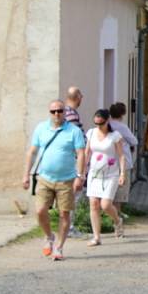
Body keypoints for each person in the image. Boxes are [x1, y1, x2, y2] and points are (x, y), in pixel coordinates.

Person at [22, 100, 86, 261]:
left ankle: (59, 247)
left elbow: (81, 154)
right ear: (49, 112)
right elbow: (32, 152)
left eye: (60, 110)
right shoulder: (41, 128)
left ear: (65, 112)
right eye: (53, 111)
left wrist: (80, 176)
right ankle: (49, 236)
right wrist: (26, 175)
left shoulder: (73, 131)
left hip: (67, 180)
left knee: (64, 213)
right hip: (44, 178)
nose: (57, 114)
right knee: (40, 210)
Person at [84, 109, 126, 245]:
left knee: (106, 204)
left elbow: (121, 155)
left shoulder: (115, 136)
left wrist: (122, 173)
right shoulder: (91, 133)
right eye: (96, 124)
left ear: (107, 121)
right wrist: (82, 170)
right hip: (94, 174)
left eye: (101, 123)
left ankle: (117, 221)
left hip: (110, 174)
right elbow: (87, 153)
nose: (99, 126)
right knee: (94, 204)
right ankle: (97, 237)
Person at [63, 86, 85, 239]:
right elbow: (76, 140)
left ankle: (68, 226)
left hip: (68, 160)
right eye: (81, 96)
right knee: (74, 195)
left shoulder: (66, 112)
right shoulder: (71, 114)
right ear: (77, 97)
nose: (82, 99)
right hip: (72, 161)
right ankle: (69, 228)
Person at [109, 102, 138, 215]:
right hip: (123, 162)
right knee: (120, 193)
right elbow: (134, 141)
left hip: (110, 161)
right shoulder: (122, 127)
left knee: (110, 192)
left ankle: (110, 215)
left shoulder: (107, 125)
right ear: (123, 114)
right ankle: (117, 214)